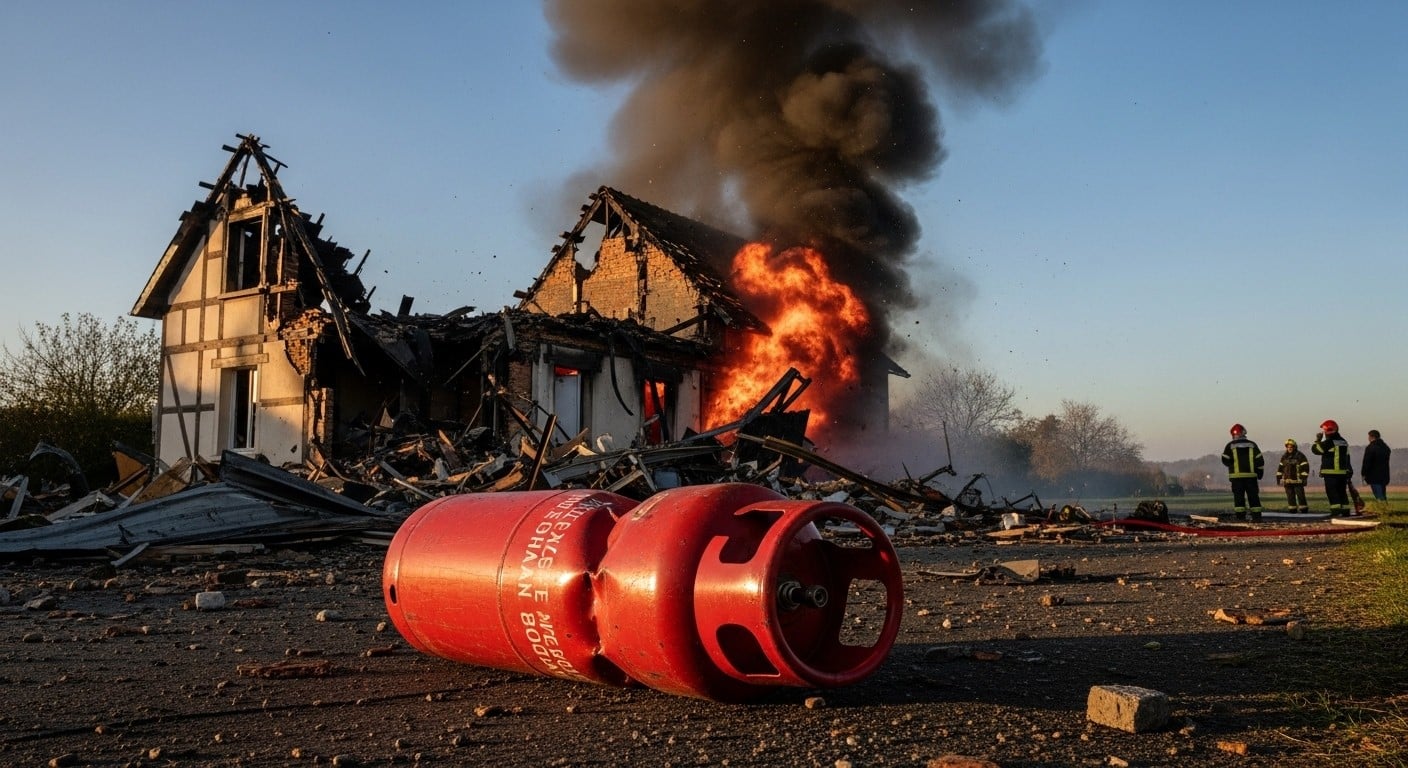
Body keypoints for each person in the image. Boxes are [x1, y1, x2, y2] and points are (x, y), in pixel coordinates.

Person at [1221, 423, 1264, 521]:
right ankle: (1257, 517)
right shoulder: (1252, 445)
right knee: (1253, 497)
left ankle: (1240, 517)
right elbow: (1259, 460)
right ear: (1244, 433)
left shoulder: (1230, 445)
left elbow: (1224, 459)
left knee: (1239, 498)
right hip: (1251, 477)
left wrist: (1231, 465)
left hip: (1236, 478)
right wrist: (1260, 472)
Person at [1312, 419, 1355, 516]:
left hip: (1331, 473)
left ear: (1328, 430)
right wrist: (1349, 470)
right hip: (1342, 472)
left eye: (1324, 431)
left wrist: (1318, 440)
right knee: (1342, 492)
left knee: (1332, 492)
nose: (1323, 433)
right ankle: (1345, 511)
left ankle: (1335, 511)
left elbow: (1316, 450)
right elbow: (1347, 456)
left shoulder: (1330, 442)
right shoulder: (1343, 441)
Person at [1276, 438, 1311, 513]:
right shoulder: (1284, 457)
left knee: (1300, 496)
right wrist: (1278, 478)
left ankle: (1304, 509)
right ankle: (1292, 510)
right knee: (1290, 496)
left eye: (1291, 447)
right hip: (1287, 481)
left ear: (1294, 447)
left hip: (1298, 481)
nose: (1289, 448)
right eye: (1288, 447)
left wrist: (1304, 478)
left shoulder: (1300, 456)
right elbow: (1280, 468)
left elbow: (1305, 467)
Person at [1362, 429, 1392, 503]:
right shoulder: (1386, 447)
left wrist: (1363, 473)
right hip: (1384, 475)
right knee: (1382, 494)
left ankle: (1383, 508)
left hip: (1374, 476)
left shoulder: (1371, 447)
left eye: (1369, 436)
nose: (1368, 438)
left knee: (1379, 496)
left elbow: (1366, 462)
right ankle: (1385, 507)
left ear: (1372, 437)